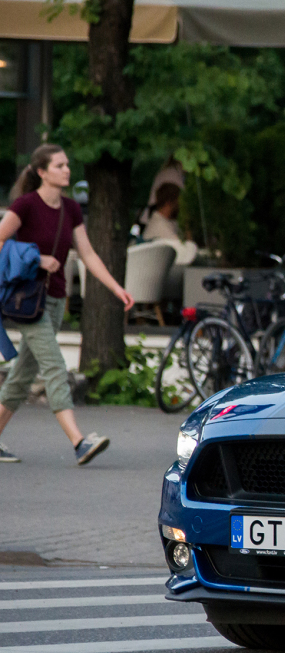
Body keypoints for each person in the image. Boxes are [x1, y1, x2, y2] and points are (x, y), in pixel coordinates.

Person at [0, 144, 135, 464]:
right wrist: (36, 258)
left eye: (67, 164)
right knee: (55, 367)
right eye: (59, 165)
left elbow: (87, 254)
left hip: (56, 300)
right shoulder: (25, 205)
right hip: (28, 303)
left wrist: (116, 288)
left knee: (21, 377)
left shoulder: (71, 209)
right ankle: (78, 442)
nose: (67, 170)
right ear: (42, 172)